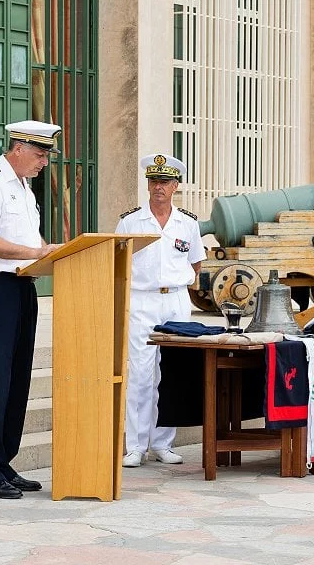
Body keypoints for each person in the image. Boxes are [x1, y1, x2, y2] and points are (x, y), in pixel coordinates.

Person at [0, 120, 63, 499]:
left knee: (17, 378)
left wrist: (51, 251)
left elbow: (29, 239)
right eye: (39, 155)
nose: (43, 163)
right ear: (18, 147)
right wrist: (36, 253)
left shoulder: (24, 189)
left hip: (24, 287)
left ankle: (4, 461)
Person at [115, 154, 206, 467]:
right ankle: (135, 446)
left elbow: (195, 263)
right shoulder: (130, 221)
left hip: (176, 300)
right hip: (142, 300)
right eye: (153, 181)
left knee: (173, 373)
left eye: (164, 182)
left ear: (176, 186)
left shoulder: (188, 223)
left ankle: (163, 442)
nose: (158, 187)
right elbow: (119, 262)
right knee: (141, 372)